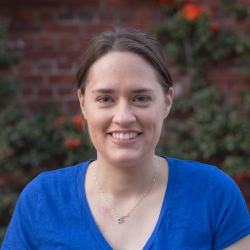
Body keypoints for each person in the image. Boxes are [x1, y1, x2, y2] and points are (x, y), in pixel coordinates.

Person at [1, 27, 250, 250]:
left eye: (141, 98)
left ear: (167, 102)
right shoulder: (42, 200)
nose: (123, 117)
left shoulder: (213, 193)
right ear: (83, 104)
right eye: (105, 99)